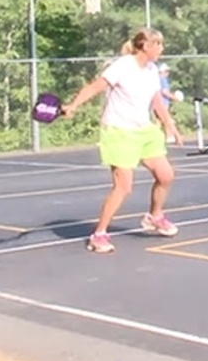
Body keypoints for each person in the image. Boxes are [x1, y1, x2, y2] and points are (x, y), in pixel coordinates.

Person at [61, 28, 183, 254]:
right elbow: (95, 87)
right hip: (119, 131)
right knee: (123, 187)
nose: (162, 49)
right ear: (146, 46)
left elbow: (155, 98)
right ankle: (98, 235)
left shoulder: (152, 69)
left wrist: (169, 123)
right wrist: (73, 105)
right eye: (158, 45)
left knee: (166, 175)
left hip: (144, 130)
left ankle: (154, 217)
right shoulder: (123, 66)